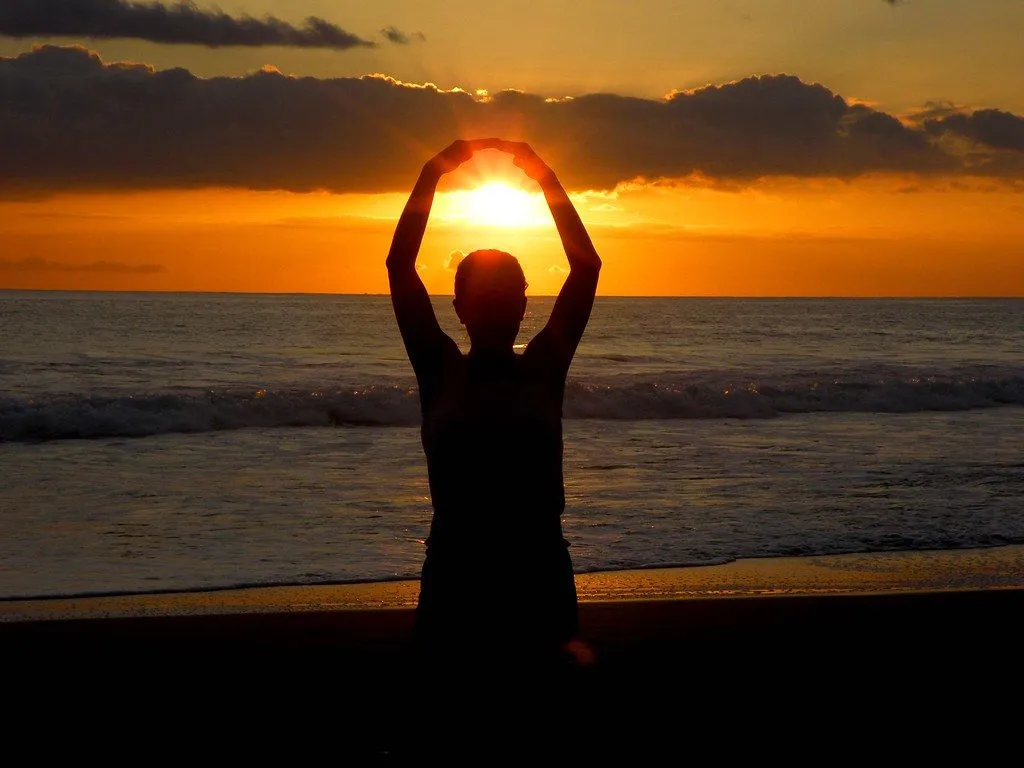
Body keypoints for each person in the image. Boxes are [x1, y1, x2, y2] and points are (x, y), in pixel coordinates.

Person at [386, 138, 601, 680]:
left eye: (507, 292)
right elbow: (399, 265)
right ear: (457, 307)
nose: (497, 302)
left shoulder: (542, 368)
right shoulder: (441, 371)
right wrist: (431, 172)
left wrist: (545, 175)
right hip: (457, 576)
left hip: (538, 574)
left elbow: (586, 267)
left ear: (525, 304)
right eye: (485, 294)